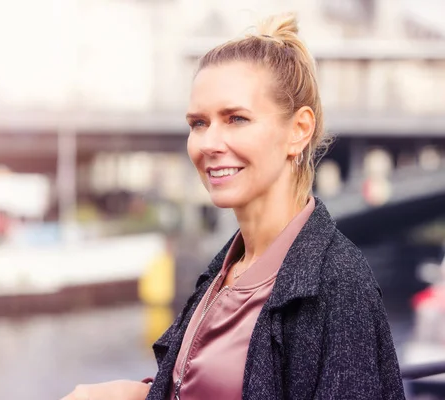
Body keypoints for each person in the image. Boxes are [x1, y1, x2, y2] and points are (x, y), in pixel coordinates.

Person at [61, 12, 405, 400]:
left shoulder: (338, 285)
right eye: (198, 123)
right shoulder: (227, 269)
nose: (209, 143)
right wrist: (132, 394)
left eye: (236, 118)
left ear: (299, 130)